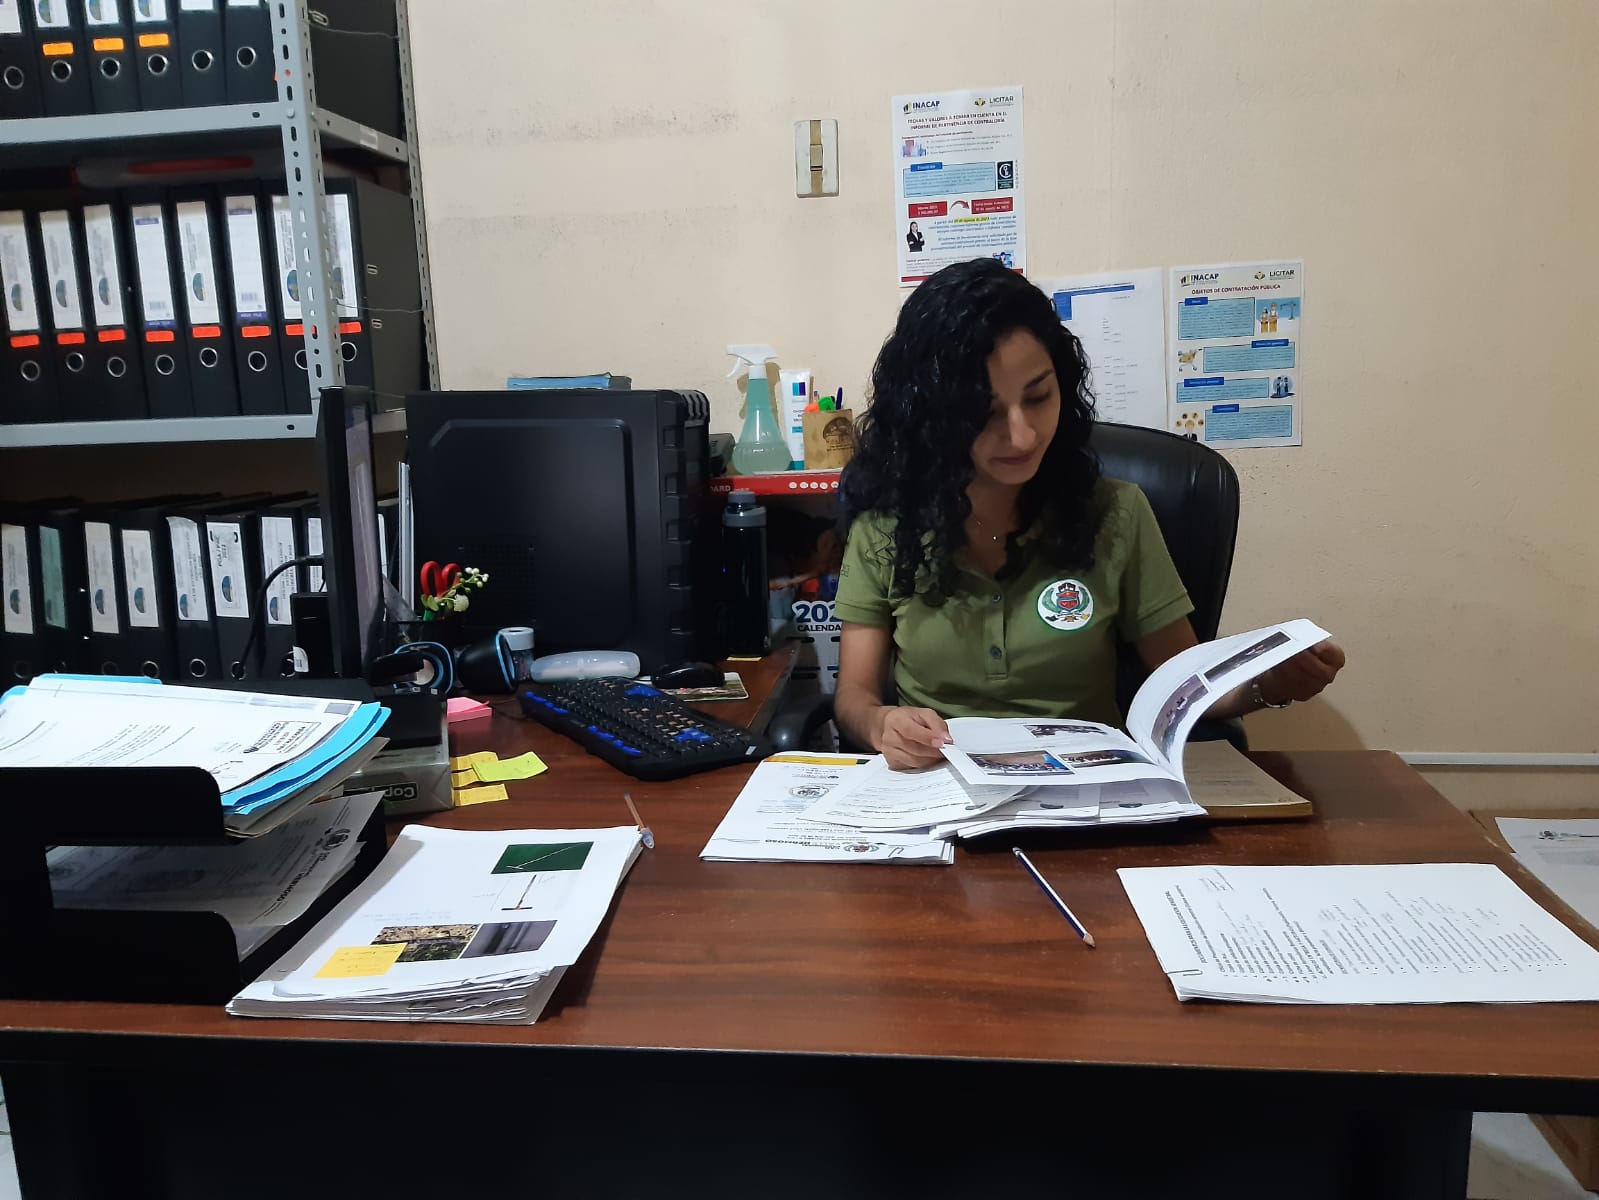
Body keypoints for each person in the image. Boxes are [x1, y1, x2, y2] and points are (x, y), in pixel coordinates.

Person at [832, 258, 1344, 769]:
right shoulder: (886, 526)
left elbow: (1183, 684)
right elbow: (854, 697)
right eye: (984, 413)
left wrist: (1267, 684)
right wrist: (881, 724)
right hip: (941, 783)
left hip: (1089, 783)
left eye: (1038, 397)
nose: (1022, 436)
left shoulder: (1116, 513)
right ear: (930, 414)